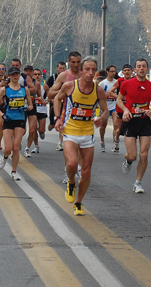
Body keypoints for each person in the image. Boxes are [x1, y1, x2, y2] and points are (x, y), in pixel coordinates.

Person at [54, 57, 109, 215]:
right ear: (82, 70)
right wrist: (58, 118)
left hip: (87, 134)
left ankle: (78, 202)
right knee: (71, 164)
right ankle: (71, 182)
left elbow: (105, 111)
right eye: (87, 69)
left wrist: (101, 118)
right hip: (70, 131)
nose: (90, 73)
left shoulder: (98, 90)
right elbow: (57, 99)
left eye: (93, 70)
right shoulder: (70, 86)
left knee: (86, 171)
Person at [118, 59, 151, 193]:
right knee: (132, 155)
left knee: (144, 154)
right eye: (139, 66)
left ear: (147, 69)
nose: (141, 69)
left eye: (144, 66)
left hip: (144, 122)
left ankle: (138, 182)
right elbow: (119, 99)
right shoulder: (126, 84)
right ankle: (128, 161)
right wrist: (126, 110)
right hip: (131, 121)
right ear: (135, 70)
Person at [48, 52, 83, 182]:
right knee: (69, 145)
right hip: (66, 113)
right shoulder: (64, 76)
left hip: (82, 114)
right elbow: (51, 93)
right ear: (69, 62)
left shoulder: (84, 75)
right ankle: (67, 171)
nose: (75, 65)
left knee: (80, 145)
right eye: (73, 62)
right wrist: (66, 90)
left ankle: (78, 170)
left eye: (78, 62)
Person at [0, 66, 34, 181]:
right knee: (8, 148)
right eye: (13, 75)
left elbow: (31, 105)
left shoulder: (24, 89)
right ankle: (5, 157)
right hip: (8, 120)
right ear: (9, 76)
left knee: (16, 147)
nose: (15, 76)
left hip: (20, 120)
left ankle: (13, 171)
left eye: (17, 74)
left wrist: (27, 108)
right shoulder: (5, 89)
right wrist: (1, 114)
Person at [106, 63, 134, 153]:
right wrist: (118, 97)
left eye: (128, 70)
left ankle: (129, 147)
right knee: (120, 128)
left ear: (131, 71)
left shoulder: (135, 81)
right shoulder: (119, 81)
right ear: (122, 72)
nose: (127, 72)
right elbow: (110, 92)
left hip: (131, 108)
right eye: (125, 70)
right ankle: (116, 141)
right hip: (120, 108)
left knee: (130, 128)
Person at [98, 65, 119, 152]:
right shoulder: (102, 83)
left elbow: (120, 95)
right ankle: (102, 140)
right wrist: (104, 96)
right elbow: (98, 95)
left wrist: (114, 96)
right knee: (103, 125)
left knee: (116, 125)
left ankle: (114, 144)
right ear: (107, 72)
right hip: (105, 106)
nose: (113, 73)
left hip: (114, 106)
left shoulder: (117, 82)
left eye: (114, 71)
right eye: (111, 71)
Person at [27, 68, 48, 154]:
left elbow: (49, 95)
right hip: (35, 109)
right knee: (33, 128)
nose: (37, 76)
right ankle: (36, 146)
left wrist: (45, 100)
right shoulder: (30, 85)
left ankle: (41, 131)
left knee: (42, 130)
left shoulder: (44, 85)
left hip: (42, 109)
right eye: (35, 74)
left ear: (41, 76)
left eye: (39, 74)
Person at [23, 65, 41, 158]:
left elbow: (39, 95)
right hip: (22, 107)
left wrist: (41, 99)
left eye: (30, 71)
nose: (28, 73)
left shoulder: (36, 83)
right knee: (22, 130)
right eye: (26, 71)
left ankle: (27, 148)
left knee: (32, 129)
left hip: (32, 107)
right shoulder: (20, 81)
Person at [47, 61, 67, 132]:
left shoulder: (67, 78)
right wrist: (50, 98)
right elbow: (47, 89)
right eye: (60, 68)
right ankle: (52, 123)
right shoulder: (52, 78)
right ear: (57, 68)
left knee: (63, 121)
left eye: (63, 68)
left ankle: (60, 141)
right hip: (54, 100)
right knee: (53, 108)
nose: (62, 70)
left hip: (65, 101)